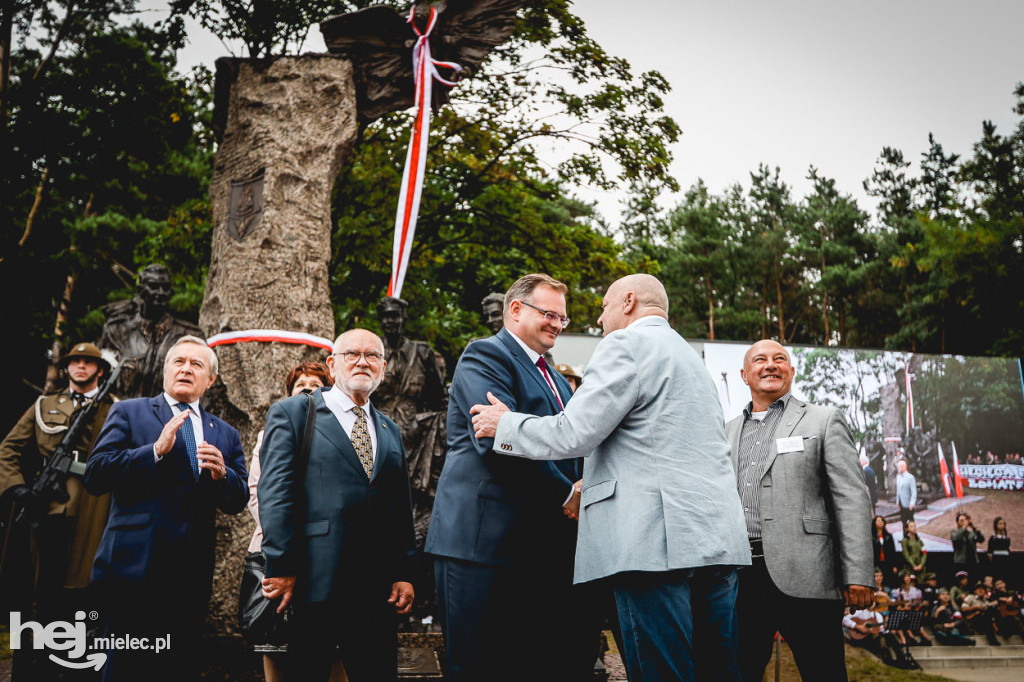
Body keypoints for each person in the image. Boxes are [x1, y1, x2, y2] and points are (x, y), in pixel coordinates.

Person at [470, 274, 751, 682]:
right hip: (717, 543)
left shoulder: (626, 344)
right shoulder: (690, 358)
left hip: (654, 546)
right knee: (718, 671)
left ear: (629, 302)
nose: (600, 320)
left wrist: (506, 425)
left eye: (603, 307)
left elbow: (575, 432)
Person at [426, 273, 596, 682]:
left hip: (534, 549)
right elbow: (496, 443)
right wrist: (565, 493)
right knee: (478, 667)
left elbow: (572, 443)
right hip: (480, 546)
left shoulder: (556, 378)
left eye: (563, 318)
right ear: (515, 309)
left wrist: (585, 483)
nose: (557, 324)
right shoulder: (486, 357)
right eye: (549, 314)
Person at [84, 335, 248, 681]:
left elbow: (239, 500)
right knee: (125, 668)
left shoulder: (226, 434)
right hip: (133, 567)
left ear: (211, 380)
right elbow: (96, 474)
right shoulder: (129, 411)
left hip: (190, 574)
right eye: (179, 361)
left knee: (177, 668)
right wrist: (154, 452)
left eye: (196, 364)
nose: (186, 369)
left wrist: (222, 475)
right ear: (165, 370)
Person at [259, 329, 416, 682]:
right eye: (352, 354)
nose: (363, 361)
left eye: (372, 356)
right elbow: (276, 493)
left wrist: (404, 570)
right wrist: (281, 564)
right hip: (314, 580)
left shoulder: (389, 428)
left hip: (376, 590)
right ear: (332, 364)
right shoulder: (295, 413)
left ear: (384, 368)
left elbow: (399, 506)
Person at [723, 339, 874, 682]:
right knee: (739, 673)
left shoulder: (823, 420)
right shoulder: (726, 431)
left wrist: (858, 574)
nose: (770, 365)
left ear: (791, 371)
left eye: (780, 359)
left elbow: (851, 498)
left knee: (825, 674)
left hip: (809, 578)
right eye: (760, 360)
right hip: (739, 579)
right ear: (745, 375)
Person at [0, 342, 116, 680]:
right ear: (66, 368)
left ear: (99, 370)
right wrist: (17, 487)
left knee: (86, 593)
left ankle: (78, 664)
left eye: (88, 362)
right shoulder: (44, 404)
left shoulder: (115, 408)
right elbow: (8, 449)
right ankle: (37, 667)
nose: (80, 366)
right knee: (43, 591)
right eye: (74, 361)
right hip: (50, 508)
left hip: (96, 509)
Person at [245, 362, 345, 682]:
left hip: (331, 554)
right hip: (276, 549)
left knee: (335, 641)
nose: (306, 387)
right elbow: (258, 491)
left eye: (315, 383)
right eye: (299, 383)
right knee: (274, 636)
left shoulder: (345, 433)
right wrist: (285, 535)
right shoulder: (270, 433)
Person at [98, 264, 203, 399]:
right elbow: (98, 380)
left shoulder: (189, 336)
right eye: (154, 286)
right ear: (141, 291)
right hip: (124, 415)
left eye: (165, 288)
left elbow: (202, 386)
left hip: (169, 417)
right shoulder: (116, 331)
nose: (160, 292)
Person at [951, 512, 984, 580]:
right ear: (957, 522)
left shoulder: (971, 533)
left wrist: (973, 527)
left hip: (973, 562)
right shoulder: (954, 532)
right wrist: (964, 527)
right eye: (961, 521)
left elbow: (981, 539)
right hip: (961, 562)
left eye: (965, 520)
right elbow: (955, 538)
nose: (964, 522)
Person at [873, 515, 899, 587]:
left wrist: (894, 565)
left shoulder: (888, 536)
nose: (880, 522)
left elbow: (893, 551)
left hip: (887, 563)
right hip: (877, 562)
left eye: (882, 521)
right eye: (878, 521)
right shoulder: (872, 537)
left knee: (888, 581)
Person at [895, 459, 916, 527]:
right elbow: (898, 491)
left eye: (899, 467)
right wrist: (898, 502)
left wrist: (912, 503)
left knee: (910, 522)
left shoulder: (910, 477)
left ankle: (913, 536)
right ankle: (905, 536)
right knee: (903, 521)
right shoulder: (898, 477)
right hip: (902, 504)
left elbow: (914, 492)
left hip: (909, 504)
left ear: (904, 467)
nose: (898, 468)